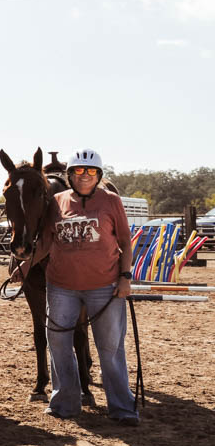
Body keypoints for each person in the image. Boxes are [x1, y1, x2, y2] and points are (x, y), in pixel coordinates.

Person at [37, 149, 138, 425]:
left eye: (91, 171)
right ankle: (64, 403)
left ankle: (122, 407)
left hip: (104, 285)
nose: (85, 176)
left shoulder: (111, 201)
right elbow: (46, 241)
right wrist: (24, 265)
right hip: (61, 286)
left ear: (99, 175)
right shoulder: (56, 202)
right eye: (79, 171)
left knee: (110, 347)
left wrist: (125, 277)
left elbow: (126, 242)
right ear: (70, 175)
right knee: (58, 342)